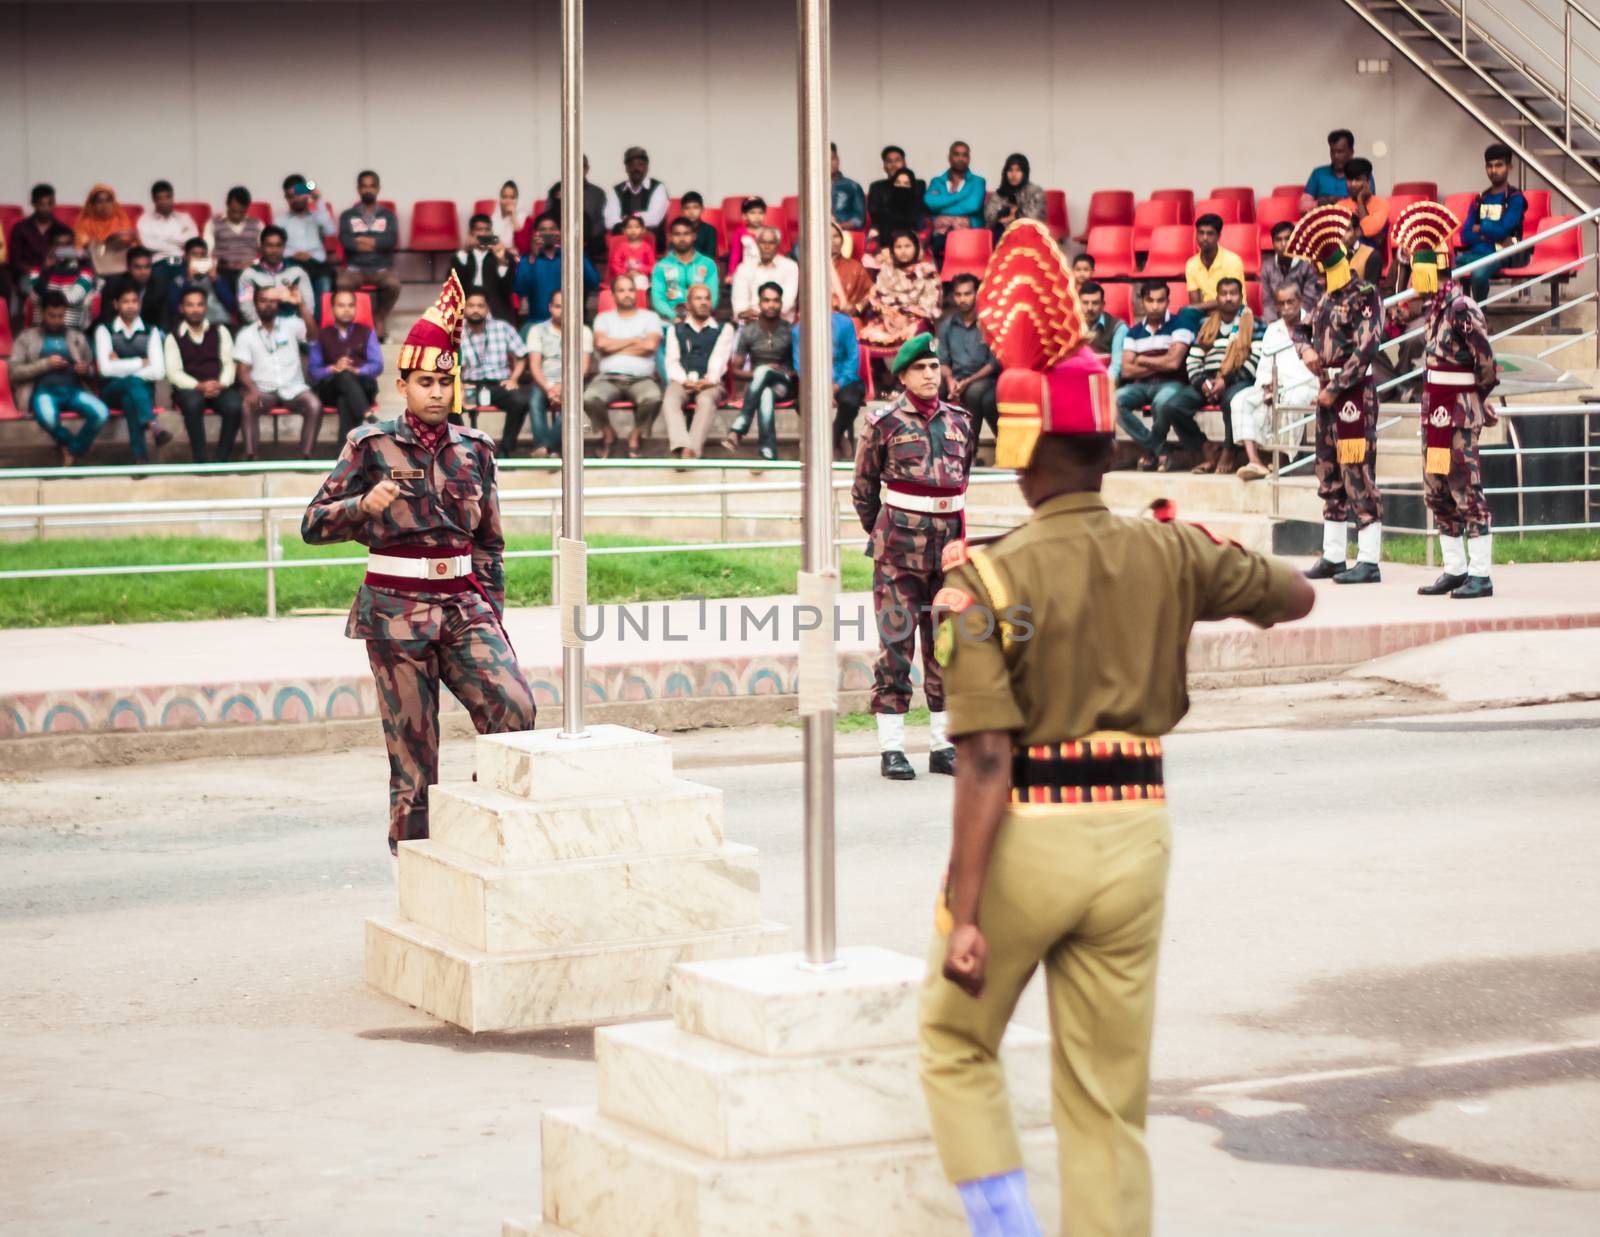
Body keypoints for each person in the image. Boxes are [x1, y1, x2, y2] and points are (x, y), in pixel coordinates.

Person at [919, 222, 1314, 1236]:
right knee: (1104, 1102)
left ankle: (1005, 1227)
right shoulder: (1167, 550)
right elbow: (1293, 594)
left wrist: (966, 908)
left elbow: (985, 755)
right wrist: (1198, 548)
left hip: (1032, 835)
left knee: (955, 1043)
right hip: (1138, 827)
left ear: (1022, 462)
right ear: (1107, 447)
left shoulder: (985, 578)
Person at [300, 272, 536, 863]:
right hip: (395, 614)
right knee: (414, 762)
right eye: (425, 381)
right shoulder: (369, 445)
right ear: (401, 383)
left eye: (445, 381)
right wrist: (362, 505)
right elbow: (312, 524)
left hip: (463, 605)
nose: (436, 391)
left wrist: (492, 618)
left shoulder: (476, 448)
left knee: (515, 707)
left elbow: (490, 544)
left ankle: (480, 823)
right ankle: (418, 877)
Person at [852, 333, 976, 780]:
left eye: (933, 367)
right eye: (919, 369)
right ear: (902, 376)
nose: (929, 375)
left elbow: (962, 482)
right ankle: (892, 747)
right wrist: (886, 535)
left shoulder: (960, 420)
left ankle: (943, 745)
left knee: (945, 646)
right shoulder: (883, 422)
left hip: (949, 555)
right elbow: (864, 490)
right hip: (898, 553)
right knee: (896, 644)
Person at [1396, 201, 1500, 599]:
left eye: (1414, 270)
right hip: (1435, 414)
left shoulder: (1461, 307)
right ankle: (1455, 568)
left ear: (1430, 270)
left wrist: (1479, 398)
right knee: (1437, 489)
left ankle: (1480, 572)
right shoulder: (1433, 310)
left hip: (1457, 414)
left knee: (1466, 488)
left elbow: (1487, 363)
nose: (1410, 280)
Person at [1287, 206, 1385, 584]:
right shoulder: (1324, 300)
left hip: (1353, 396)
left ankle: (1370, 559)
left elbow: (1366, 350)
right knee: (1327, 471)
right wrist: (1306, 351)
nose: (1320, 275)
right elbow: (1299, 330)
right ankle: (1333, 555)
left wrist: (1335, 388)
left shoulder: (1366, 294)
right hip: (1327, 393)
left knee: (1357, 470)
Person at [10, 289, 110, 465]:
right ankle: (77, 445)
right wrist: (45, 364)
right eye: (52, 315)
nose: (57, 320)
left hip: (74, 391)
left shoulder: (76, 337)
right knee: (48, 418)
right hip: (43, 392)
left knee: (101, 412)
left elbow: (93, 372)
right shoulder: (27, 338)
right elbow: (15, 372)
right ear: (41, 313)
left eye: (60, 316)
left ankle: (72, 449)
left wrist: (85, 370)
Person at [1231, 283, 1319, 481]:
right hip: (1276, 383)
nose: (1286, 307)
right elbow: (1264, 366)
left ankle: (1287, 460)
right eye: (1282, 303)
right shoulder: (1273, 330)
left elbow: (1317, 366)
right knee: (1240, 400)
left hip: (1306, 385)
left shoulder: (1314, 325)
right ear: (1276, 306)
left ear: (1300, 301)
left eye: (1290, 302)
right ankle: (1255, 461)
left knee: (1292, 397)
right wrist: (1266, 384)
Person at [1116, 281, 1204, 471]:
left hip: (1172, 384)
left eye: (1160, 300)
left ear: (1167, 301)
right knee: (1114, 401)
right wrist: (1161, 362)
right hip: (1141, 386)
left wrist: (1141, 359)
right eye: (1150, 300)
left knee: (1162, 403)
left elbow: (1174, 364)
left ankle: (1152, 452)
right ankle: (1158, 447)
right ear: (1142, 302)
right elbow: (1126, 371)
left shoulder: (1180, 325)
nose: (1155, 306)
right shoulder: (1134, 332)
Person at [235, 285, 322, 459]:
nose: (267, 305)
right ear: (255, 304)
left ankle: (306, 455)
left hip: (294, 389)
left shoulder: (291, 324)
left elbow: (313, 336)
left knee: (315, 405)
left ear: (278, 304)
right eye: (263, 301)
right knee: (247, 405)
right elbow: (242, 371)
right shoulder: (246, 334)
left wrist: (301, 304)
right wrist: (252, 391)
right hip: (264, 391)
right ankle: (251, 455)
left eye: (272, 301)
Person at [1184, 277, 1261, 474]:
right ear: (1217, 298)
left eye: (1233, 293)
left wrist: (1225, 381)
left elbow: (1255, 360)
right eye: (1223, 294)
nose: (1228, 298)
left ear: (1241, 296)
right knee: (1171, 405)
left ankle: (1229, 449)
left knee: (1230, 400)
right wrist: (1202, 383)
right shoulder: (1207, 325)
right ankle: (1204, 448)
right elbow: (1193, 359)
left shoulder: (1255, 324)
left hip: (1238, 379)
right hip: (1207, 381)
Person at [583, 274, 663, 458]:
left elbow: (650, 346)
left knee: (653, 397)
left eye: (631, 290)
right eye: (621, 290)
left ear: (636, 293)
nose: (627, 294)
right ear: (613, 295)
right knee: (589, 397)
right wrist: (636, 340)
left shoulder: (650, 318)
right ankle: (607, 432)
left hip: (641, 378)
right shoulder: (603, 319)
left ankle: (635, 434)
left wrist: (615, 347)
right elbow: (602, 345)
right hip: (608, 378)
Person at [165, 286, 244, 463]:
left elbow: (229, 363)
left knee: (235, 405)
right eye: (190, 305)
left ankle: (221, 459)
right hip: (189, 389)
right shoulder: (173, 336)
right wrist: (198, 386)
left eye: (199, 305)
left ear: (206, 308)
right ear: (181, 308)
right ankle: (200, 459)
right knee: (193, 403)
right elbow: (173, 372)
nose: (195, 309)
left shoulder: (220, 331)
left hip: (219, 386)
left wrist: (221, 384)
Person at [94, 282, 170, 461]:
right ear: (116, 305)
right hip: (111, 391)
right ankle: (152, 425)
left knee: (130, 398)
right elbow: (105, 370)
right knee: (133, 384)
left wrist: (119, 364)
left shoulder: (151, 332)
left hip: (141, 393)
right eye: (125, 301)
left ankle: (139, 457)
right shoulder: (104, 330)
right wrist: (140, 362)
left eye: (134, 301)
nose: (130, 305)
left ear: (140, 304)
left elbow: (159, 372)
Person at [722, 283, 796, 463]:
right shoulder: (749, 331)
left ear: (781, 303)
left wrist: (780, 371)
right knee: (765, 392)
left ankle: (741, 425)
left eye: (775, 301)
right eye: (766, 300)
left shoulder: (790, 330)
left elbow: (799, 368)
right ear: (759, 303)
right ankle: (767, 450)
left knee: (765, 374)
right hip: (759, 385)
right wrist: (760, 373)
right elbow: (736, 371)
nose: (771, 305)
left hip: (784, 384)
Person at [662, 283, 734, 461]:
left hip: (711, 383)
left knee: (706, 399)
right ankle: (681, 445)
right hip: (682, 381)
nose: (703, 302)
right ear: (687, 304)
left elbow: (719, 358)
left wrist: (709, 380)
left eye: (707, 298)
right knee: (671, 398)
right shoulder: (675, 330)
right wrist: (685, 380)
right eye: (698, 298)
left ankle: (691, 452)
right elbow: (672, 361)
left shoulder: (723, 329)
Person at [1455, 142, 1529, 303]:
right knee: (1442, 266)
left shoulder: (1515, 198)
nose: (1493, 170)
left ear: (1509, 167)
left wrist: (1481, 227)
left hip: (1502, 255)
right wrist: (1489, 234)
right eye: (1489, 166)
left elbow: (1503, 231)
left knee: (1479, 274)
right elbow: (1465, 235)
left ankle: (1481, 316)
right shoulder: (1480, 198)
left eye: (1499, 165)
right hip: (1476, 254)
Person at [309, 288, 384, 441]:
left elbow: (377, 365)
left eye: (351, 305)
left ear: (356, 308)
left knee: (345, 398)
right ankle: (368, 416)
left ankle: (343, 455)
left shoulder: (366, 331)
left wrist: (357, 371)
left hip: (363, 387)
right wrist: (333, 369)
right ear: (332, 309)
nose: (346, 310)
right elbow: (313, 371)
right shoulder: (322, 335)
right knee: (343, 375)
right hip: (330, 389)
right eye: (341, 306)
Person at [524, 288, 591, 458]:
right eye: (558, 306)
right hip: (544, 382)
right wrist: (549, 388)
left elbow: (583, 366)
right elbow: (534, 365)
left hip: (572, 383)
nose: (563, 311)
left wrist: (564, 387)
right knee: (534, 400)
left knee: (573, 403)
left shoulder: (583, 331)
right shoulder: (537, 330)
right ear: (550, 308)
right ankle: (549, 449)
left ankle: (545, 447)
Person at [459, 290, 531, 446]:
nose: (475, 310)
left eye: (480, 306)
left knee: (520, 402)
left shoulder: (502, 328)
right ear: (464, 308)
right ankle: (462, 448)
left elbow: (521, 356)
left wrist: (513, 379)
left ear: (487, 309)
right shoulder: (456, 332)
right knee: (451, 406)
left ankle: (506, 449)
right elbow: (450, 365)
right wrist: (460, 387)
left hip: (499, 385)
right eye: (471, 306)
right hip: (469, 386)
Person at [793, 302, 865, 458]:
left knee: (850, 401)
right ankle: (835, 439)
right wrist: (821, 388)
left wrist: (836, 386)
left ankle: (834, 437)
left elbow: (853, 358)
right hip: (815, 382)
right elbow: (801, 367)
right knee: (802, 404)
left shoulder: (845, 323)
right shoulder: (799, 330)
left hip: (845, 379)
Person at [337, 170, 402, 339]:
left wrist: (363, 241)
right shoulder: (347, 215)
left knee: (393, 284)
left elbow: (390, 240)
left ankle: (379, 317)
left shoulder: (388, 216)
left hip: (382, 268)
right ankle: (356, 321)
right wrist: (375, 242)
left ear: (378, 189)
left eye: (372, 186)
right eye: (364, 186)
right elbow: (345, 240)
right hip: (355, 268)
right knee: (342, 283)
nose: (368, 190)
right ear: (358, 189)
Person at [939, 273, 999, 442]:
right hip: (956, 377)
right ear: (953, 296)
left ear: (977, 294)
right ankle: (940, 445)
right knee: (936, 389)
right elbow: (943, 361)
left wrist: (968, 381)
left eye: (967, 294)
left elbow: (994, 362)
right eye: (958, 294)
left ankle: (970, 449)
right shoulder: (947, 325)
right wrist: (950, 380)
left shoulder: (988, 323)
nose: (962, 299)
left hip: (985, 377)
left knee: (973, 392)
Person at [512, 213, 599, 326]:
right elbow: (520, 290)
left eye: (552, 229)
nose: (548, 233)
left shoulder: (571, 255)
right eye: (543, 230)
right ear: (535, 234)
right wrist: (533, 256)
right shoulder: (527, 260)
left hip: (570, 323)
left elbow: (594, 282)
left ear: (560, 232)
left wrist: (571, 249)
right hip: (538, 323)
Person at [860, 230, 942, 349]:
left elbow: (931, 306)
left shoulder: (927, 271)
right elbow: (876, 297)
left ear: (916, 248)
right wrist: (887, 316)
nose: (903, 251)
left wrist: (905, 317)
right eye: (898, 247)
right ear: (892, 250)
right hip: (888, 320)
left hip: (917, 321)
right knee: (867, 335)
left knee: (911, 333)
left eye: (907, 246)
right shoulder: (886, 271)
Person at [237, 226, 317, 329]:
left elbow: (309, 306)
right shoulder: (248, 275)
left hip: (293, 329)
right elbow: (246, 308)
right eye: (269, 245)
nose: (274, 250)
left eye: (278, 245)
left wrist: (294, 329)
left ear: (284, 247)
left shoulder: (297, 273)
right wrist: (266, 328)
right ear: (261, 247)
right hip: (260, 329)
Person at [275, 175, 337, 299]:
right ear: (286, 198)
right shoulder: (280, 221)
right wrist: (293, 254)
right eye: (291, 196)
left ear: (306, 194)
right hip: (291, 263)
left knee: (325, 281)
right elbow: (275, 247)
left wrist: (318, 200)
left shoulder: (317, 217)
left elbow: (331, 231)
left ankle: (319, 319)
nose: (296, 199)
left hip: (317, 264)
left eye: (298, 194)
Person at [924, 141, 987, 260]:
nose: (960, 158)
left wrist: (942, 210)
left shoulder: (978, 182)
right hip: (940, 234)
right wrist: (960, 196)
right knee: (935, 250)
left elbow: (972, 205)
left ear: (969, 158)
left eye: (964, 155)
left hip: (970, 234)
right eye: (956, 154)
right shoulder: (936, 182)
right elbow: (930, 203)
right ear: (949, 157)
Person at [651, 215, 719, 322]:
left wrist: (697, 316)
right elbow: (657, 299)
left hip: (702, 317)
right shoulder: (662, 266)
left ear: (694, 236)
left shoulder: (707, 264)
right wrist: (673, 316)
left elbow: (713, 297)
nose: (682, 238)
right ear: (670, 237)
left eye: (686, 234)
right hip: (671, 319)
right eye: (677, 234)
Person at [451, 214, 517, 324]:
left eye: (487, 230)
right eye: (479, 230)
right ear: (471, 233)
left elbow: (507, 289)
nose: (483, 233)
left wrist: (502, 262)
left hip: (496, 312)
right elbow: (454, 287)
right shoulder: (461, 257)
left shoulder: (505, 257)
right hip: (467, 310)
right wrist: (465, 251)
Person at [546, 154, 609, 268]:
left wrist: (582, 237)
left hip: (588, 243)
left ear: (587, 169)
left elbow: (601, 222)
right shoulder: (556, 189)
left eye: (582, 166)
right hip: (559, 241)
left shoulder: (597, 193)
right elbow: (547, 217)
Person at [28, 229, 98, 331]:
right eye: (58, 245)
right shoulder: (37, 272)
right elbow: (35, 299)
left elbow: (72, 298)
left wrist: (47, 295)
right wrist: (47, 271)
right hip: (40, 334)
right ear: (50, 247)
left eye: (67, 245)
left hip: (71, 334)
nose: (63, 249)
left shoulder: (84, 272)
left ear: (73, 247)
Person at [205, 186, 263, 307]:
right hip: (223, 270)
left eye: (241, 212)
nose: (237, 215)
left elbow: (266, 252)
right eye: (233, 211)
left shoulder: (257, 224)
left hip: (249, 270)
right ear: (227, 205)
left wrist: (254, 263)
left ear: (247, 208)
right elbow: (207, 251)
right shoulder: (213, 223)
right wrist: (215, 266)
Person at [730, 227, 800, 323]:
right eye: (763, 242)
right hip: (750, 325)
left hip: (781, 326)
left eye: (771, 243)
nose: (767, 246)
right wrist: (745, 314)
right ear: (757, 244)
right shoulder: (744, 268)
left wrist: (762, 315)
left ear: (778, 245)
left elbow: (787, 304)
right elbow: (739, 306)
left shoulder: (790, 267)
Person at [603, 146, 669, 246]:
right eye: (631, 165)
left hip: (651, 242)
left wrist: (625, 219)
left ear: (647, 167)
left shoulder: (658, 187)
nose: (636, 168)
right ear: (626, 168)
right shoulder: (615, 190)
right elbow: (610, 221)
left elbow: (654, 219)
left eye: (640, 164)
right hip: (622, 242)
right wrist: (635, 224)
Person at [1260, 220, 1323, 322]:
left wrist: (1296, 323)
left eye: (1287, 239)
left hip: (1302, 320)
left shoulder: (1307, 266)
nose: (1283, 244)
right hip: (1275, 322)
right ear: (1273, 243)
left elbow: (1308, 300)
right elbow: (1267, 302)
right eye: (1278, 240)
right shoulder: (1267, 268)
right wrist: (1274, 325)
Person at [1300, 128, 1374, 212]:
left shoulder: (1363, 175)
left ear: (1351, 152)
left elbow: (1370, 207)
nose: (1335, 156)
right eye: (1332, 152)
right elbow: (1302, 206)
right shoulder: (1318, 173)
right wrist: (1318, 203)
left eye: (1340, 152)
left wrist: (1342, 202)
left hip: (1352, 222)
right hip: (1322, 221)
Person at [1338, 158, 1389, 281]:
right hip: (1343, 257)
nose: (1353, 184)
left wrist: (1360, 201)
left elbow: (1368, 231)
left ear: (1368, 180)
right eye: (1350, 179)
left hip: (1371, 259)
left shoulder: (1381, 205)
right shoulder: (1340, 205)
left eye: (1358, 179)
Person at [164, 237, 230, 331]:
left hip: (218, 322)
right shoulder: (178, 281)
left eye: (202, 255)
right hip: (191, 325)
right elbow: (175, 307)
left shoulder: (216, 278)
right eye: (194, 254)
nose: (198, 258)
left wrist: (216, 281)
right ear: (186, 257)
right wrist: (188, 281)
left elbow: (230, 304)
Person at [1185, 213, 1246, 313]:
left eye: (1210, 233)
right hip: (1205, 314)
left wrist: (1200, 307)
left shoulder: (1233, 261)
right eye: (1201, 233)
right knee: (1186, 314)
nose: (1204, 237)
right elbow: (1195, 304)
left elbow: (1231, 298)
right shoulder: (1191, 264)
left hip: (1233, 312)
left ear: (1218, 236)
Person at [75, 184, 138, 277]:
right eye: (99, 201)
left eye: (108, 201)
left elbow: (132, 244)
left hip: (119, 266)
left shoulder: (121, 220)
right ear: (92, 204)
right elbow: (79, 248)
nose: (104, 206)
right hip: (93, 266)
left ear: (113, 203)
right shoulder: (85, 223)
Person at [9, 184, 61, 292]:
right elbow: (15, 262)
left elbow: (69, 260)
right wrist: (39, 269)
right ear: (33, 204)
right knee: (36, 292)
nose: (46, 208)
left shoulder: (62, 229)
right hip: (29, 276)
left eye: (50, 203)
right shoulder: (20, 229)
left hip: (56, 276)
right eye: (42, 204)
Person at [983, 153, 1047, 240]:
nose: (1013, 174)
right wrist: (1007, 211)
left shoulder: (1035, 192)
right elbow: (988, 219)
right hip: (1003, 236)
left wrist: (1014, 216)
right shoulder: (999, 193)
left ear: (1025, 172)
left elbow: (1034, 217)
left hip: (1029, 235)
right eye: (1010, 170)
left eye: (1018, 170)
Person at [867, 145, 926, 235]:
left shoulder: (918, 185)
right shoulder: (876, 187)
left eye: (897, 160)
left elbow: (918, 214)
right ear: (884, 166)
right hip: (885, 232)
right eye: (889, 161)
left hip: (911, 232)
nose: (893, 165)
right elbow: (876, 214)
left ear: (904, 163)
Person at [139, 179, 199, 262]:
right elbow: (147, 244)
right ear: (153, 199)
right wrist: (178, 243)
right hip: (158, 261)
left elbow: (193, 240)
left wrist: (163, 239)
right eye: (160, 198)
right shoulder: (145, 220)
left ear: (173, 197)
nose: (165, 202)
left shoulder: (184, 218)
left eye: (168, 197)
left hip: (182, 260)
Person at [1078, 281, 1128, 380]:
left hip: (1103, 383)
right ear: (1078, 303)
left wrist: (1101, 386)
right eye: (1085, 303)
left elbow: (1116, 367)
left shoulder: (1118, 328)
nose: (1090, 308)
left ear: (1103, 305)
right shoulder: (1069, 327)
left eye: (1095, 303)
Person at [872, 167, 929, 248]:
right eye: (898, 183)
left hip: (913, 250)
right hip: (887, 251)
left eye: (906, 184)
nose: (901, 187)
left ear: (912, 186)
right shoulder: (885, 207)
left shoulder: (919, 207)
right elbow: (877, 237)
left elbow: (922, 235)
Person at [830, 223, 874, 318]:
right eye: (826, 236)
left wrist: (857, 308)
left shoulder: (855, 267)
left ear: (842, 240)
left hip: (848, 320)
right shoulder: (810, 269)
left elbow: (871, 294)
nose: (832, 240)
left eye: (836, 236)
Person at [727, 197, 769, 282]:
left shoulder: (768, 232)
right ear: (744, 216)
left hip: (765, 270)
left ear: (764, 215)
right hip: (746, 272)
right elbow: (735, 254)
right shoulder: (739, 233)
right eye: (752, 213)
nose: (757, 216)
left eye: (760, 213)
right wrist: (731, 273)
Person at [607, 213, 657, 284]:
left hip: (641, 276)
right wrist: (625, 273)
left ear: (643, 230)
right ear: (624, 230)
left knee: (641, 282)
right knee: (621, 283)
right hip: (624, 276)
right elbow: (615, 264)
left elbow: (653, 266)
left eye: (637, 227)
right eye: (629, 227)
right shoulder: (621, 247)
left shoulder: (647, 247)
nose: (633, 230)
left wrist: (640, 269)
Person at [831, 142, 866, 229]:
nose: (828, 162)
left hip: (844, 235)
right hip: (816, 236)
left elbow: (859, 220)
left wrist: (838, 227)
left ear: (838, 160)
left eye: (832, 158)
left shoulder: (852, 187)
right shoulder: (811, 189)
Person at [677, 192, 720, 260]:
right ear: (682, 210)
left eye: (695, 207)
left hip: (702, 266)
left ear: (702, 209)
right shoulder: (677, 230)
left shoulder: (710, 230)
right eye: (687, 208)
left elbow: (710, 257)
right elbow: (673, 253)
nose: (691, 212)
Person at [493, 179, 526, 251]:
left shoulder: (524, 219)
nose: (508, 201)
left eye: (512, 197)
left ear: (517, 199)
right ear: (500, 199)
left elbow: (522, 246)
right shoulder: (494, 218)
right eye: (504, 197)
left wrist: (513, 217)